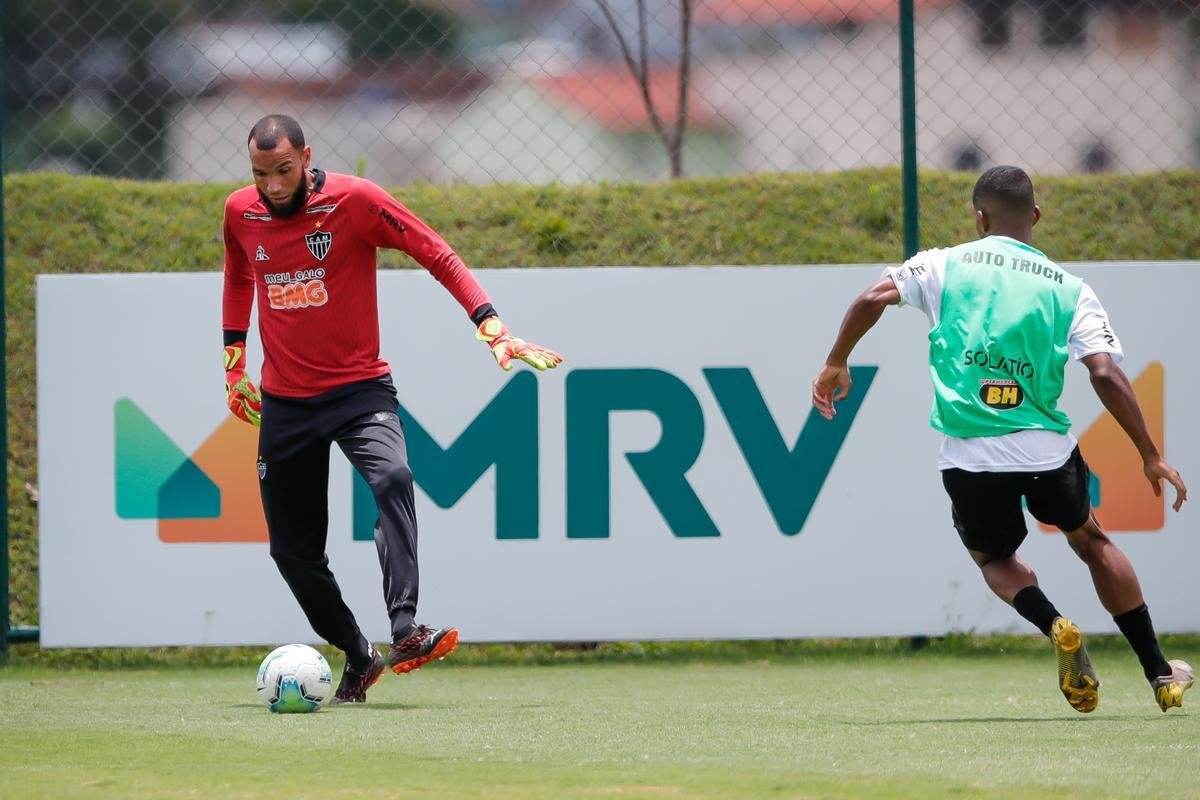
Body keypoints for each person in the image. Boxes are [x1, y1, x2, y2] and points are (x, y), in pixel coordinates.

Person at [811, 165, 1191, 713]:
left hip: (969, 454)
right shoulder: (1070, 288)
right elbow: (1105, 373)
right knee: (1092, 541)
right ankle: (1160, 673)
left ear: (979, 217)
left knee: (994, 559)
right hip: (1044, 450)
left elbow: (872, 298)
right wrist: (1150, 455)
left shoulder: (942, 264)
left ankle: (1056, 624)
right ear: (1035, 216)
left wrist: (834, 363)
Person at [222, 114, 563, 704]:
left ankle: (405, 629)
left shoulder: (354, 201)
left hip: (358, 392)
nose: (273, 187)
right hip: (285, 403)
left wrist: (490, 322)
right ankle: (359, 654)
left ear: (307, 157)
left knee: (394, 476)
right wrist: (233, 359)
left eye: (283, 171)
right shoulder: (239, 211)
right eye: (260, 174)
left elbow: (435, 251)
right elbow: (237, 273)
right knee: (292, 553)